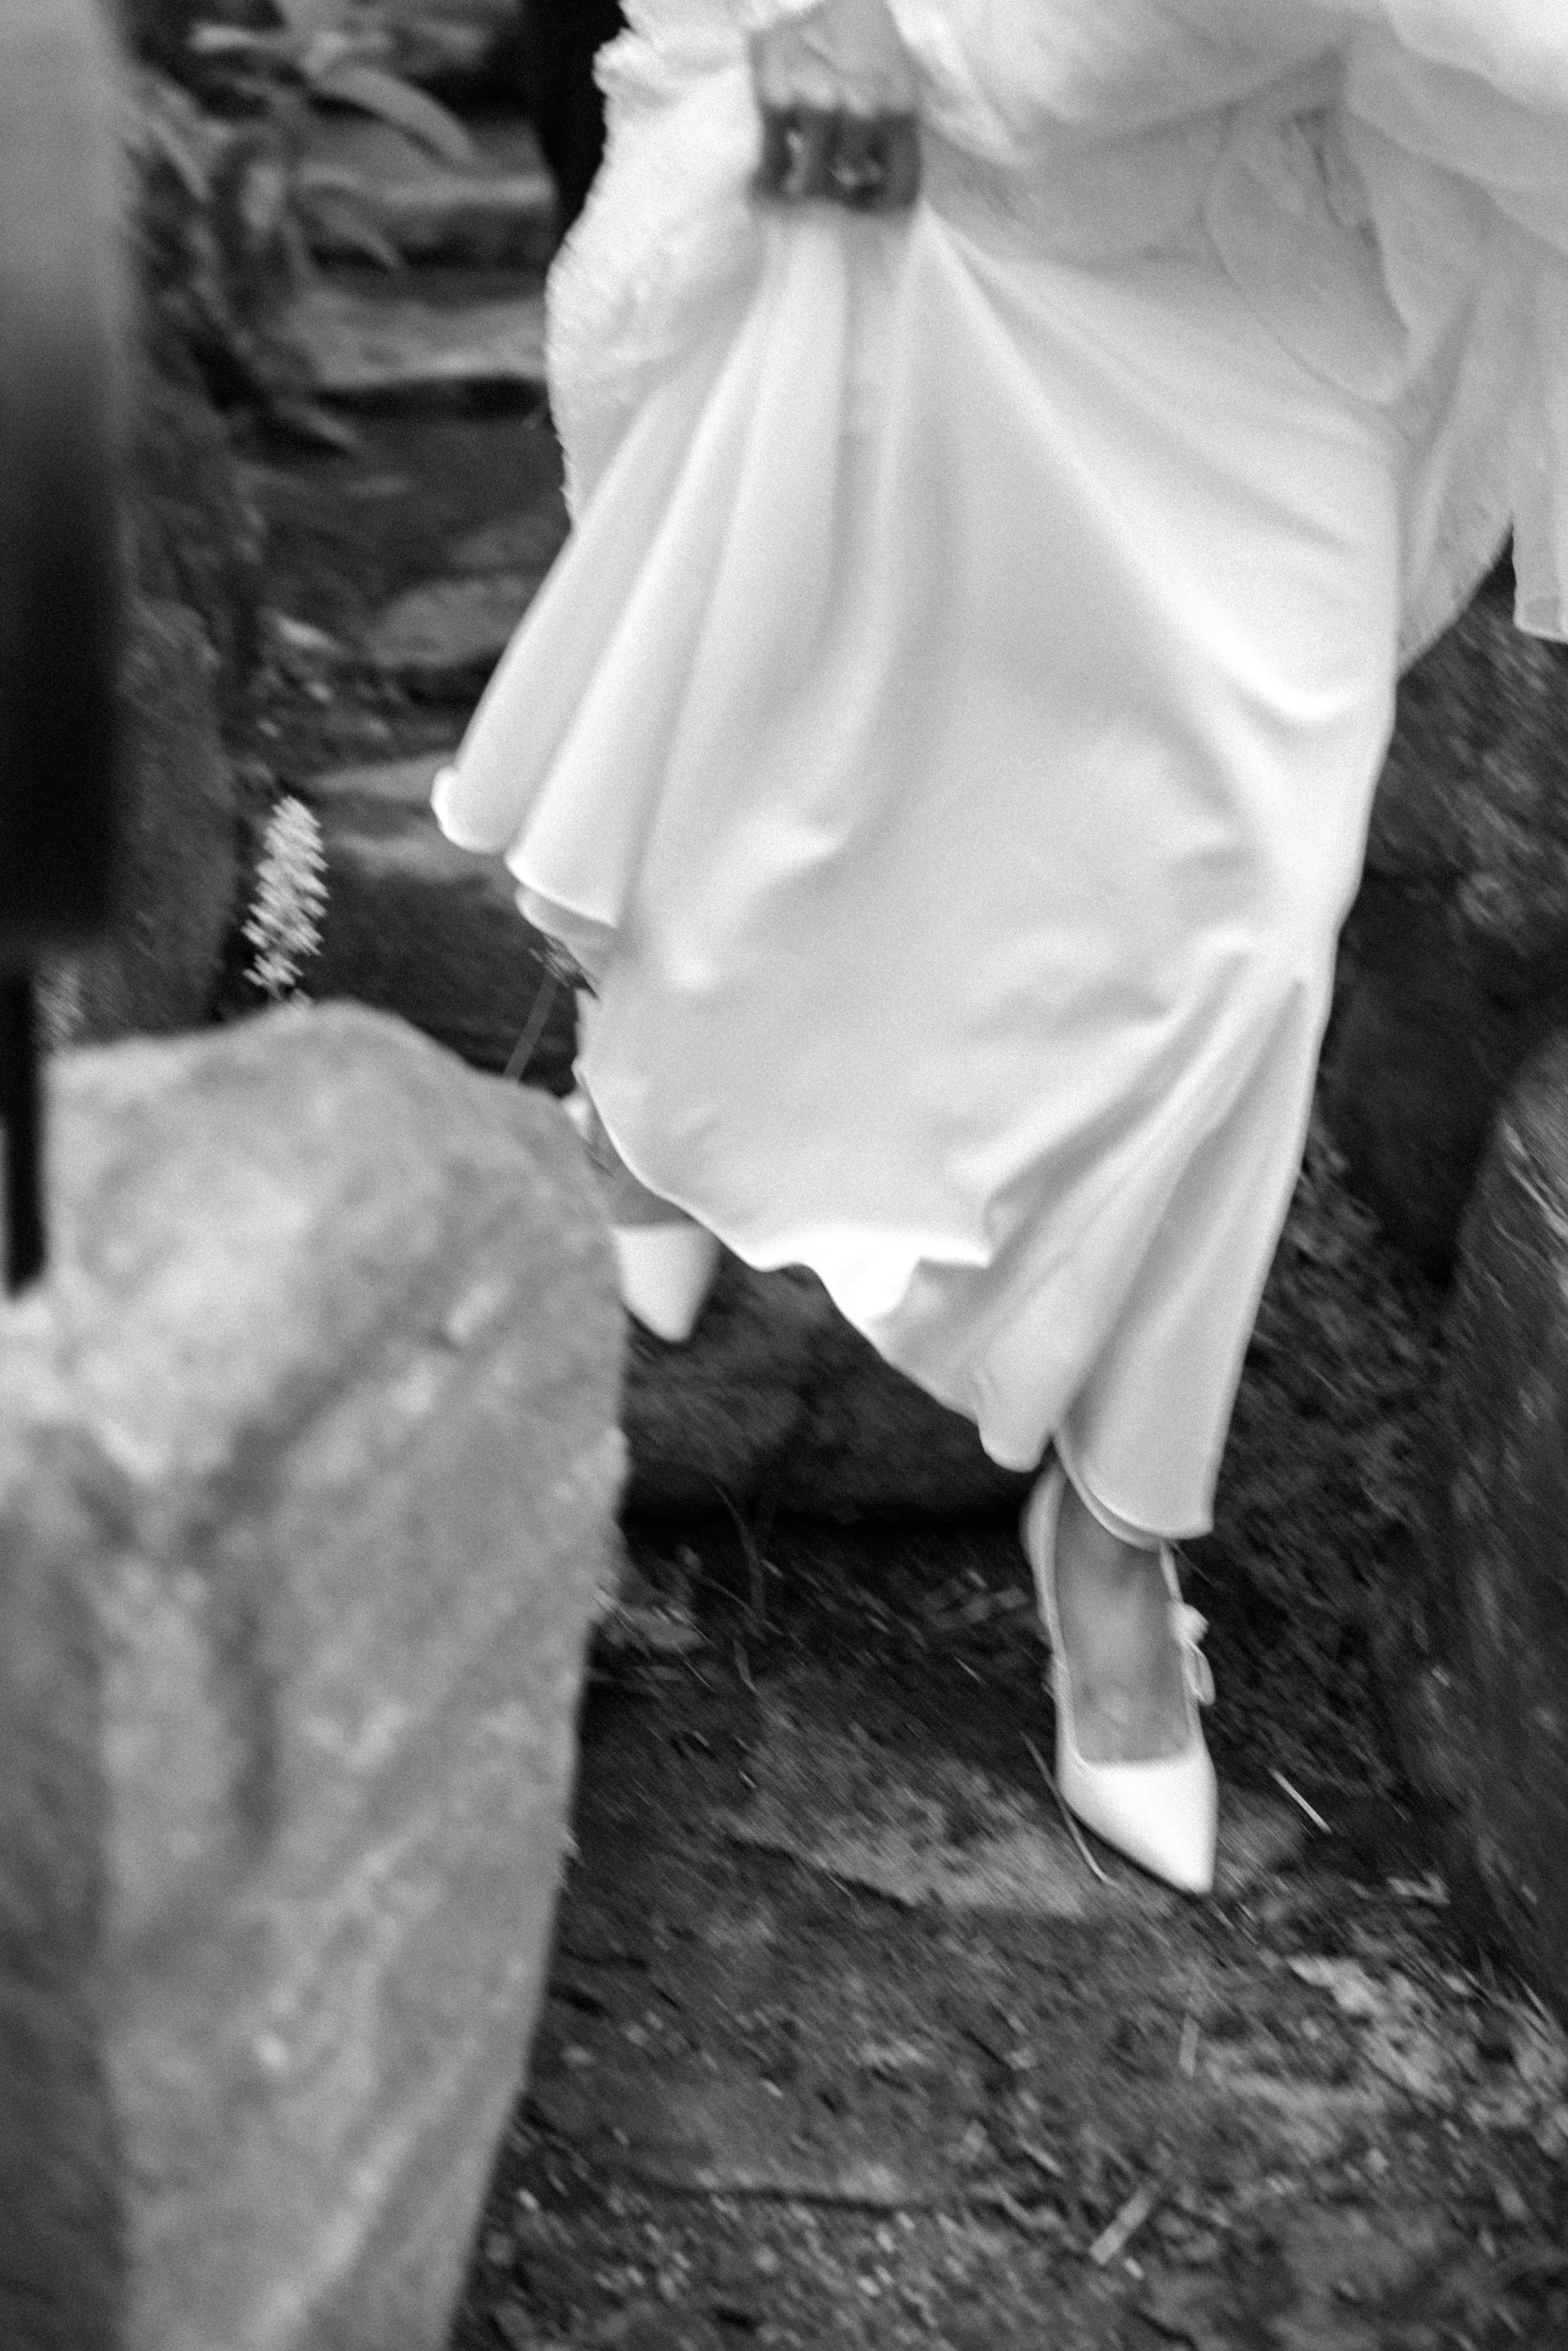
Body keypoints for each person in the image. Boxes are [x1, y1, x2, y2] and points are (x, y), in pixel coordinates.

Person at [434, 0, 1568, 1893]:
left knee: (1262, 914)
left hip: (1272, 241)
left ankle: (1116, 1532)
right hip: (937, 139)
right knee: (824, 642)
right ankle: (658, 1098)